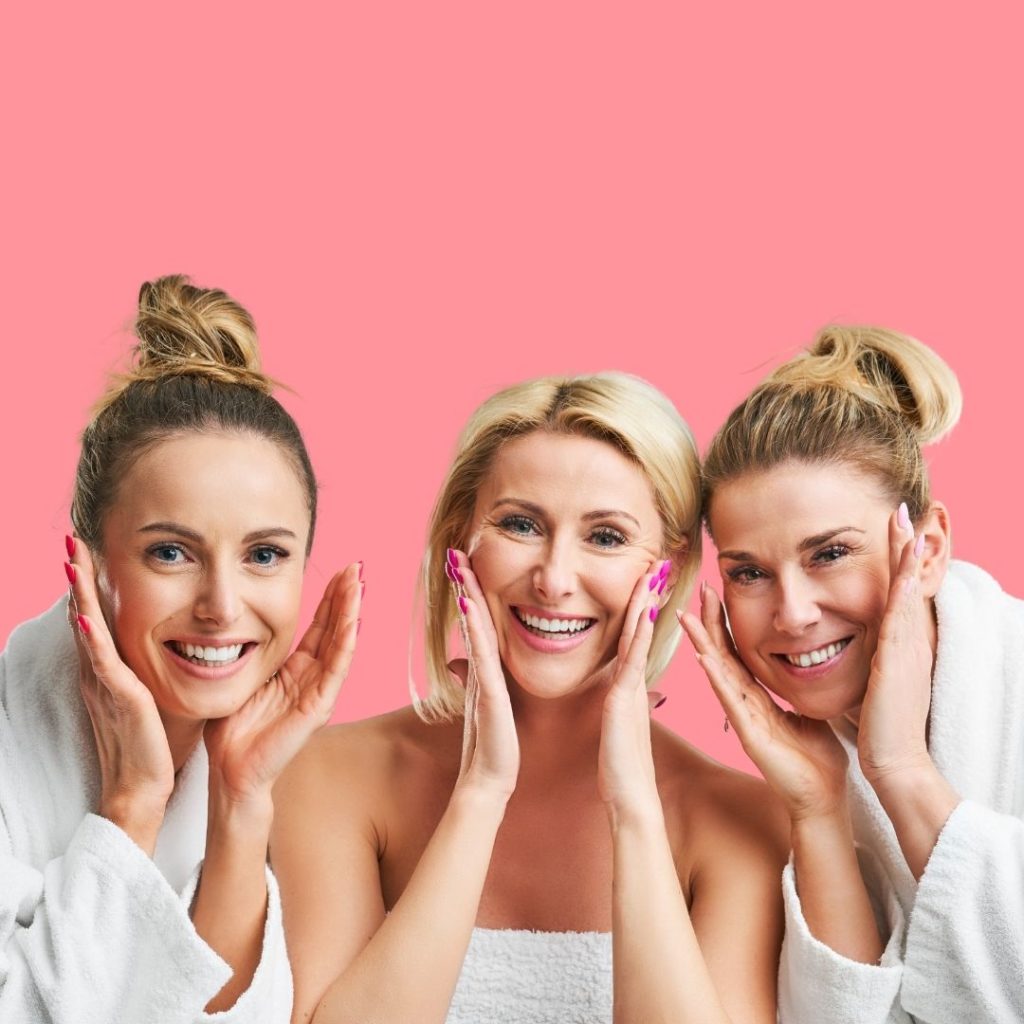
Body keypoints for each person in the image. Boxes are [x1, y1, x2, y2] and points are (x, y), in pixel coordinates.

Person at [272, 372, 788, 1024]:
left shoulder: (743, 824)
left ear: (670, 569)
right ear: (459, 541)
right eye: (520, 524)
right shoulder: (327, 774)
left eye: (605, 537)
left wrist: (635, 813)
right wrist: (482, 791)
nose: (553, 579)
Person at [0, 276, 361, 1023]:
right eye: (171, 553)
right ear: (91, 566)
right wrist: (129, 809)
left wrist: (240, 803)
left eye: (265, 555)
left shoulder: (290, 772)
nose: (223, 607)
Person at [681, 325, 1023, 1024]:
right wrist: (818, 813)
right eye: (749, 573)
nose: (793, 613)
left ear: (925, 549)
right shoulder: (810, 767)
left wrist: (901, 769)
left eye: (829, 553)